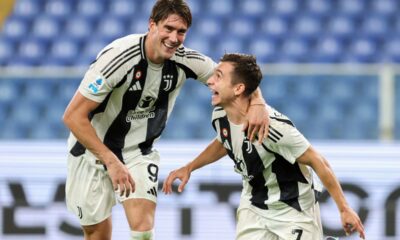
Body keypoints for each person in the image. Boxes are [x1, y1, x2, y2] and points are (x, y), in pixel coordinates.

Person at [62, 0, 269, 239]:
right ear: (152, 25)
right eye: (168, 29)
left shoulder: (185, 59)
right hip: (93, 151)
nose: (174, 38)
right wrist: (110, 160)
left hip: (138, 151)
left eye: (181, 32)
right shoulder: (119, 58)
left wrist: (259, 103)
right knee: (97, 233)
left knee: (142, 230)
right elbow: (73, 116)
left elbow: (234, 80)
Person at [162, 53, 366, 240]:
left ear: (238, 88)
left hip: (292, 208)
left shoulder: (273, 127)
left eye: (218, 76)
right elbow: (225, 142)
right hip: (254, 206)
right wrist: (190, 167)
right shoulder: (219, 115)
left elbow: (318, 161)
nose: (209, 81)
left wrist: (344, 208)